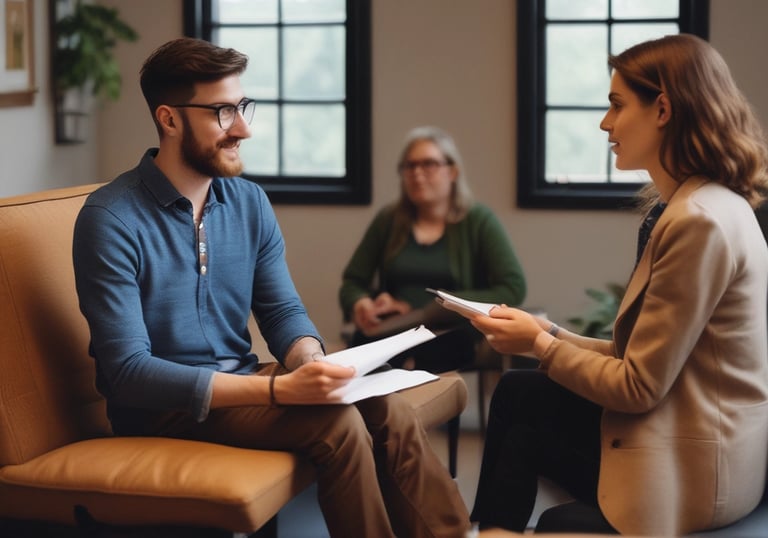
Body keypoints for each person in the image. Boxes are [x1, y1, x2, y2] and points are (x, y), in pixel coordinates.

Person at [72, 37, 472, 538]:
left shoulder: (247, 202)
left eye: (241, 106)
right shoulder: (111, 218)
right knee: (339, 426)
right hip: (166, 410)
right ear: (169, 119)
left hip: (244, 382)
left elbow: (281, 309)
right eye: (222, 112)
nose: (243, 127)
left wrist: (310, 362)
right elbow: (128, 371)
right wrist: (278, 389)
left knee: (386, 405)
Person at [469, 34, 768, 536]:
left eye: (616, 105)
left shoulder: (698, 222)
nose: (605, 123)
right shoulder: (699, 205)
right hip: (689, 431)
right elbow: (639, 355)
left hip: (698, 470)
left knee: (525, 409)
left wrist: (539, 344)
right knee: (520, 398)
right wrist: (550, 334)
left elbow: (638, 386)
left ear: (664, 109)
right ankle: (491, 530)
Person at [339, 126, 527, 372]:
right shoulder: (389, 220)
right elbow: (353, 282)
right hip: (395, 328)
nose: (417, 174)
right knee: (363, 347)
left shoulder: (479, 220)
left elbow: (513, 288)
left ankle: (428, 402)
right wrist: (361, 303)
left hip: (452, 328)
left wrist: (427, 309)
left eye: (429, 164)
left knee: (442, 351)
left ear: (452, 171)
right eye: (409, 166)